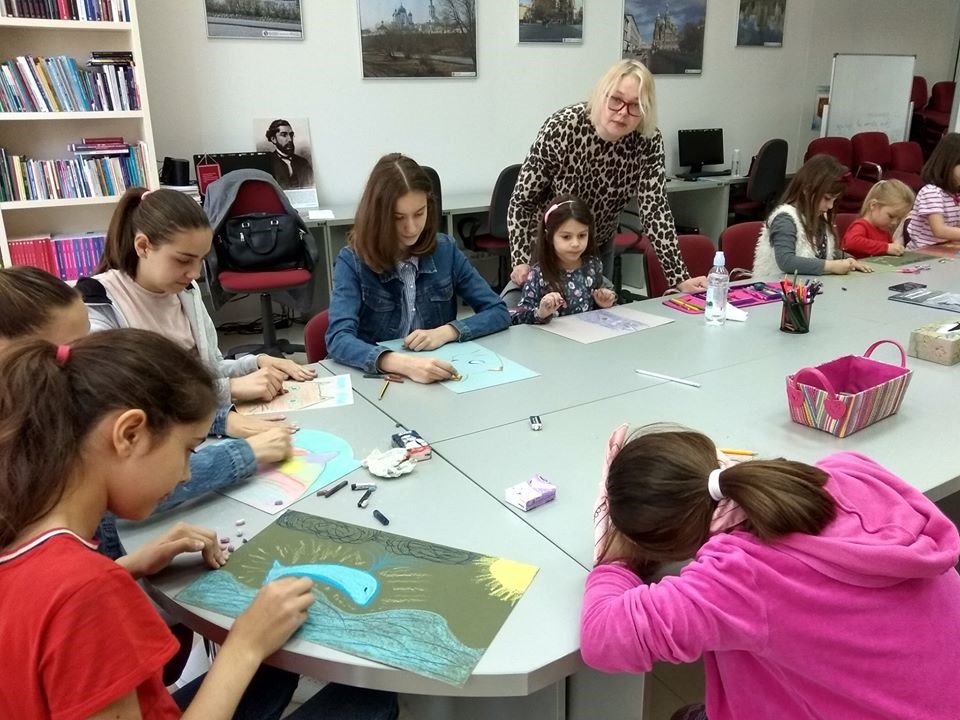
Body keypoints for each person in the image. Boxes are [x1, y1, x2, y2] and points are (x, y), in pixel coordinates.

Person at [0, 329, 398, 720]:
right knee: (371, 703)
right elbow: (75, 606)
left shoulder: (21, 532)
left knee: (273, 670)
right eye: (188, 450)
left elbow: (41, 616)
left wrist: (128, 566)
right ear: (129, 434)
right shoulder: (86, 594)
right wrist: (244, 646)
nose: (187, 474)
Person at [582, 423, 960, 720]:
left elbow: (603, 637)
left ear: (664, 545)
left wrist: (618, 560)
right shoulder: (847, 472)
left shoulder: (740, 577)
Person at [0, 265, 291, 560]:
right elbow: (138, 481)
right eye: (68, 352)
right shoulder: (32, 460)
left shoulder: (49, 415)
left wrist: (130, 566)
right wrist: (240, 454)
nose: (89, 360)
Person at [81, 186, 315, 405]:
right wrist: (228, 390)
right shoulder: (98, 303)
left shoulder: (186, 291)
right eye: (183, 260)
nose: (195, 274)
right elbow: (118, 396)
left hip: (200, 419)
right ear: (143, 246)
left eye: (201, 259)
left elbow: (208, 370)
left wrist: (255, 363)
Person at [507, 59, 706, 293]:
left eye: (635, 105)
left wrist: (679, 278)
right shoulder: (564, 127)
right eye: (616, 100)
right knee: (546, 310)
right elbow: (522, 200)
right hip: (551, 245)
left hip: (597, 243)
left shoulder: (648, 140)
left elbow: (656, 211)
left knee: (600, 310)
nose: (622, 113)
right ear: (602, 94)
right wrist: (520, 259)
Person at [326, 153, 510, 383]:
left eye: (419, 214)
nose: (411, 228)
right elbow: (338, 339)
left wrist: (447, 332)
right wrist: (400, 363)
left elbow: (498, 311)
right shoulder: (352, 261)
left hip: (435, 378)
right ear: (378, 215)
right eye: (398, 217)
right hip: (379, 381)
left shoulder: (445, 250)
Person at [753, 154, 871, 277]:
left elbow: (821, 252)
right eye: (827, 198)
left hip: (806, 285)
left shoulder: (819, 217)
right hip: (775, 287)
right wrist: (831, 266)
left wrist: (846, 259)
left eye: (834, 200)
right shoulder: (785, 219)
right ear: (807, 189)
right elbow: (786, 261)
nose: (830, 206)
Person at [511, 194, 617, 325]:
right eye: (566, 237)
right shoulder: (538, 274)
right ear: (549, 237)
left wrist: (603, 303)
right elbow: (518, 317)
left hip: (585, 334)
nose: (575, 244)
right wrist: (541, 312)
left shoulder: (593, 266)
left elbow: (593, 309)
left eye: (582, 235)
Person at [903, 131, 960, 248]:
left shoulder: (955, 193)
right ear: (948, 164)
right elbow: (939, 230)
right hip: (922, 252)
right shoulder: (931, 192)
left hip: (945, 248)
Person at [841, 179, 915, 258]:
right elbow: (851, 242)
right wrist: (886, 248)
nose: (894, 222)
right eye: (891, 216)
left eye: (899, 219)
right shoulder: (861, 226)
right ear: (873, 205)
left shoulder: (884, 231)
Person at [265, 118, 314, 189]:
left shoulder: (303, 163)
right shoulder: (268, 163)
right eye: (284, 135)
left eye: (291, 135)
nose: (290, 139)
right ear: (273, 139)